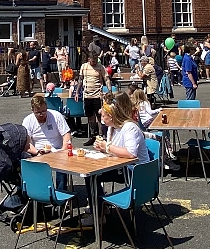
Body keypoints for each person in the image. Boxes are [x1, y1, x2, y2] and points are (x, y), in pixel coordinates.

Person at [82, 91, 149, 226]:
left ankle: (98, 215)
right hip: (122, 167)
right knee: (91, 175)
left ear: (111, 116)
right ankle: (101, 208)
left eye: (104, 114)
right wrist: (102, 148)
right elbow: (114, 150)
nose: (100, 114)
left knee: (93, 176)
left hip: (136, 171)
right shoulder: (112, 128)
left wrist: (107, 147)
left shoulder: (129, 127)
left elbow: (131, 154)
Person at [22, 94, 71, 190]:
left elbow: (67, 134)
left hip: (57, 150)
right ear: (33, 110)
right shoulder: (28, 120)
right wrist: (36, 152)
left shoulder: (56, 116)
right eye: (38, 112)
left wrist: (63, 150)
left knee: (62, 162)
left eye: (44, 111)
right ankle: (40, 192)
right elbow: (26, 144)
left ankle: (61, 192)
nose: (42, 114)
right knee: (30, 162)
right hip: (38, 151)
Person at [76, 53, 111, 146]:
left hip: (97, 95)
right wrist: (77, 92)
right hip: (87, 95)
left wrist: (109, 90)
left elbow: (106, 79)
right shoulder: (84, 67)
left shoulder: (100, 67)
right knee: (90, 117)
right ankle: (92, 136)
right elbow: (80, 79)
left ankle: (101, 136)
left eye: (96, 61)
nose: (94, 63)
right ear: (89, 59)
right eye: (93, 61)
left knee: (100, 116)